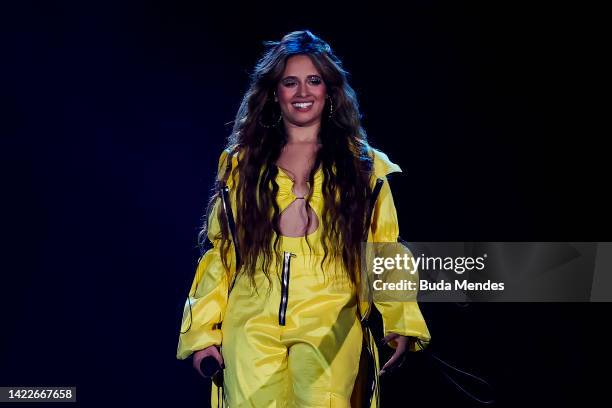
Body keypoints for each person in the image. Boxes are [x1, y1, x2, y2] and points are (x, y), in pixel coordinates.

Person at [177, 30, 431, 408]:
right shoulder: (242, 165)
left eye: (313, 81)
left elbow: (383, 250)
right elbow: (222, 254)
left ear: (329, 91)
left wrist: (401, 320)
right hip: (250, 317)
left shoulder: (364, 169)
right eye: (290, 82)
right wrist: (202, 333)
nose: (302, 92)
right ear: (274, 92)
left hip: (330, 314)